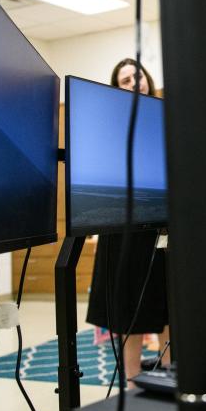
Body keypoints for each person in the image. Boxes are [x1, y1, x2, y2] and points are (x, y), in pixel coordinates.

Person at [86, 58, 171, 384]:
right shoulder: (110, 124)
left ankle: (170, 369)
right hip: (123, 229)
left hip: (164, 225)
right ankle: (132, 379)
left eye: (137, 76)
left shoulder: (166, 116)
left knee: (169, 302)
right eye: (124, 80)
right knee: (127, 305)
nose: (134, 82)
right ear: (116, 88)